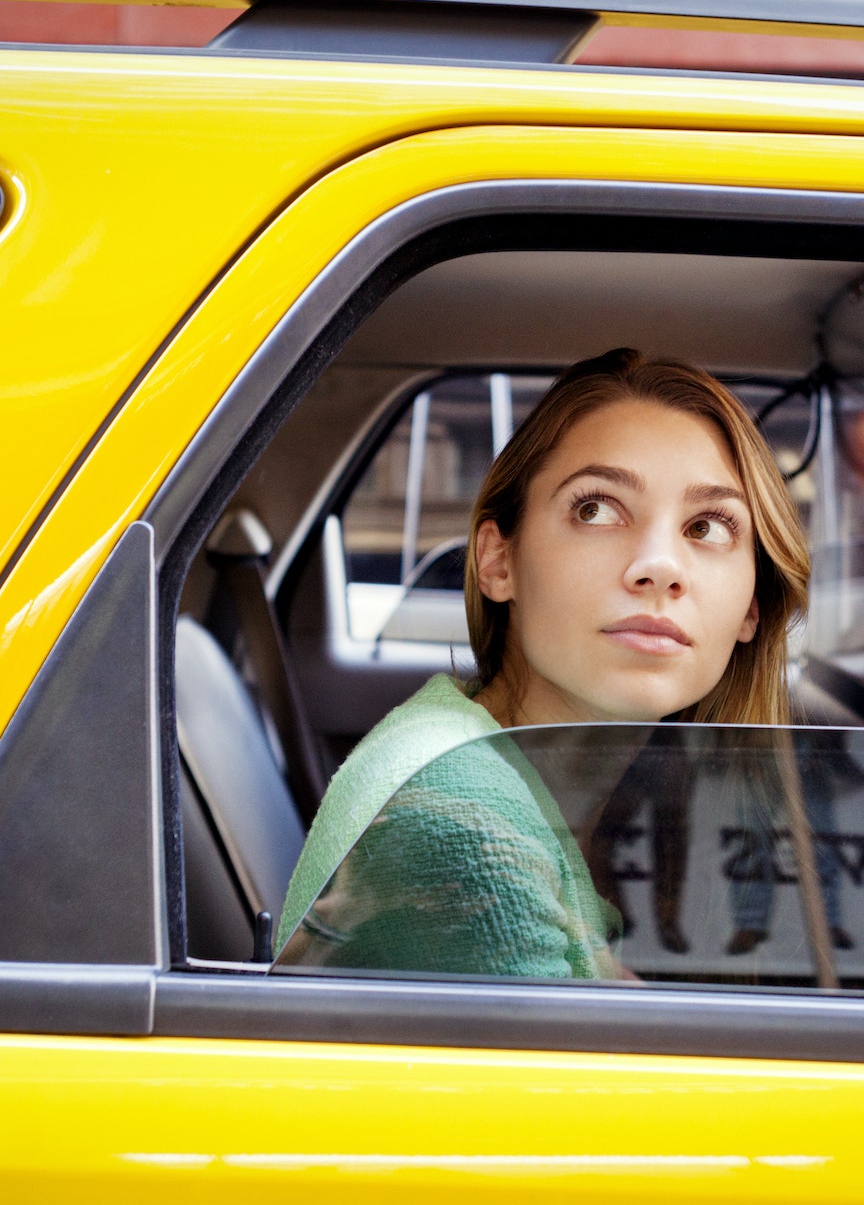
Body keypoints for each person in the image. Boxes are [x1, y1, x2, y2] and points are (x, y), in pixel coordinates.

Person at [275, 348, 810, 978]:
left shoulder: (509, 777)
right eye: (596, 509)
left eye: (709, 526)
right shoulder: (457, 820)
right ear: (499, 561)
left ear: (752, 606)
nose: (659, 566)